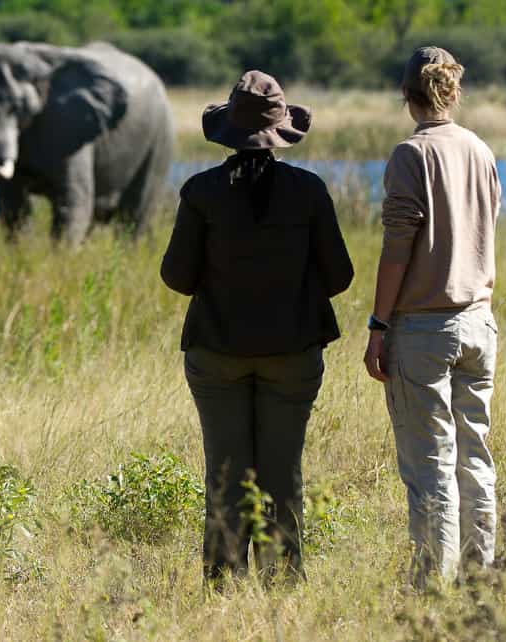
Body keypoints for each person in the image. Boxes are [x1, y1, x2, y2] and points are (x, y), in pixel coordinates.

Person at [161, 71, 354, 585]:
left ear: (229, 129)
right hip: (292, 354)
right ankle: (283, 584)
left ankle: (223, 586)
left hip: (217, 353)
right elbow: (341, 276)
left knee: (224, 477)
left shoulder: (200, 191)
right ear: (281, 131)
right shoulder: (309, 191)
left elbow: (176, 277)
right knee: (282, 474)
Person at [363, 47, 502, 590]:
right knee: (475, 458)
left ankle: (431, 589)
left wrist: (378, 325)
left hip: (423, 328)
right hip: (479, 322)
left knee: (431, 465)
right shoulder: (480, 149)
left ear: (407, 95)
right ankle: (479, 576)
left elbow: (398, 248)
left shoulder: (409, 154)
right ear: (452, 90)